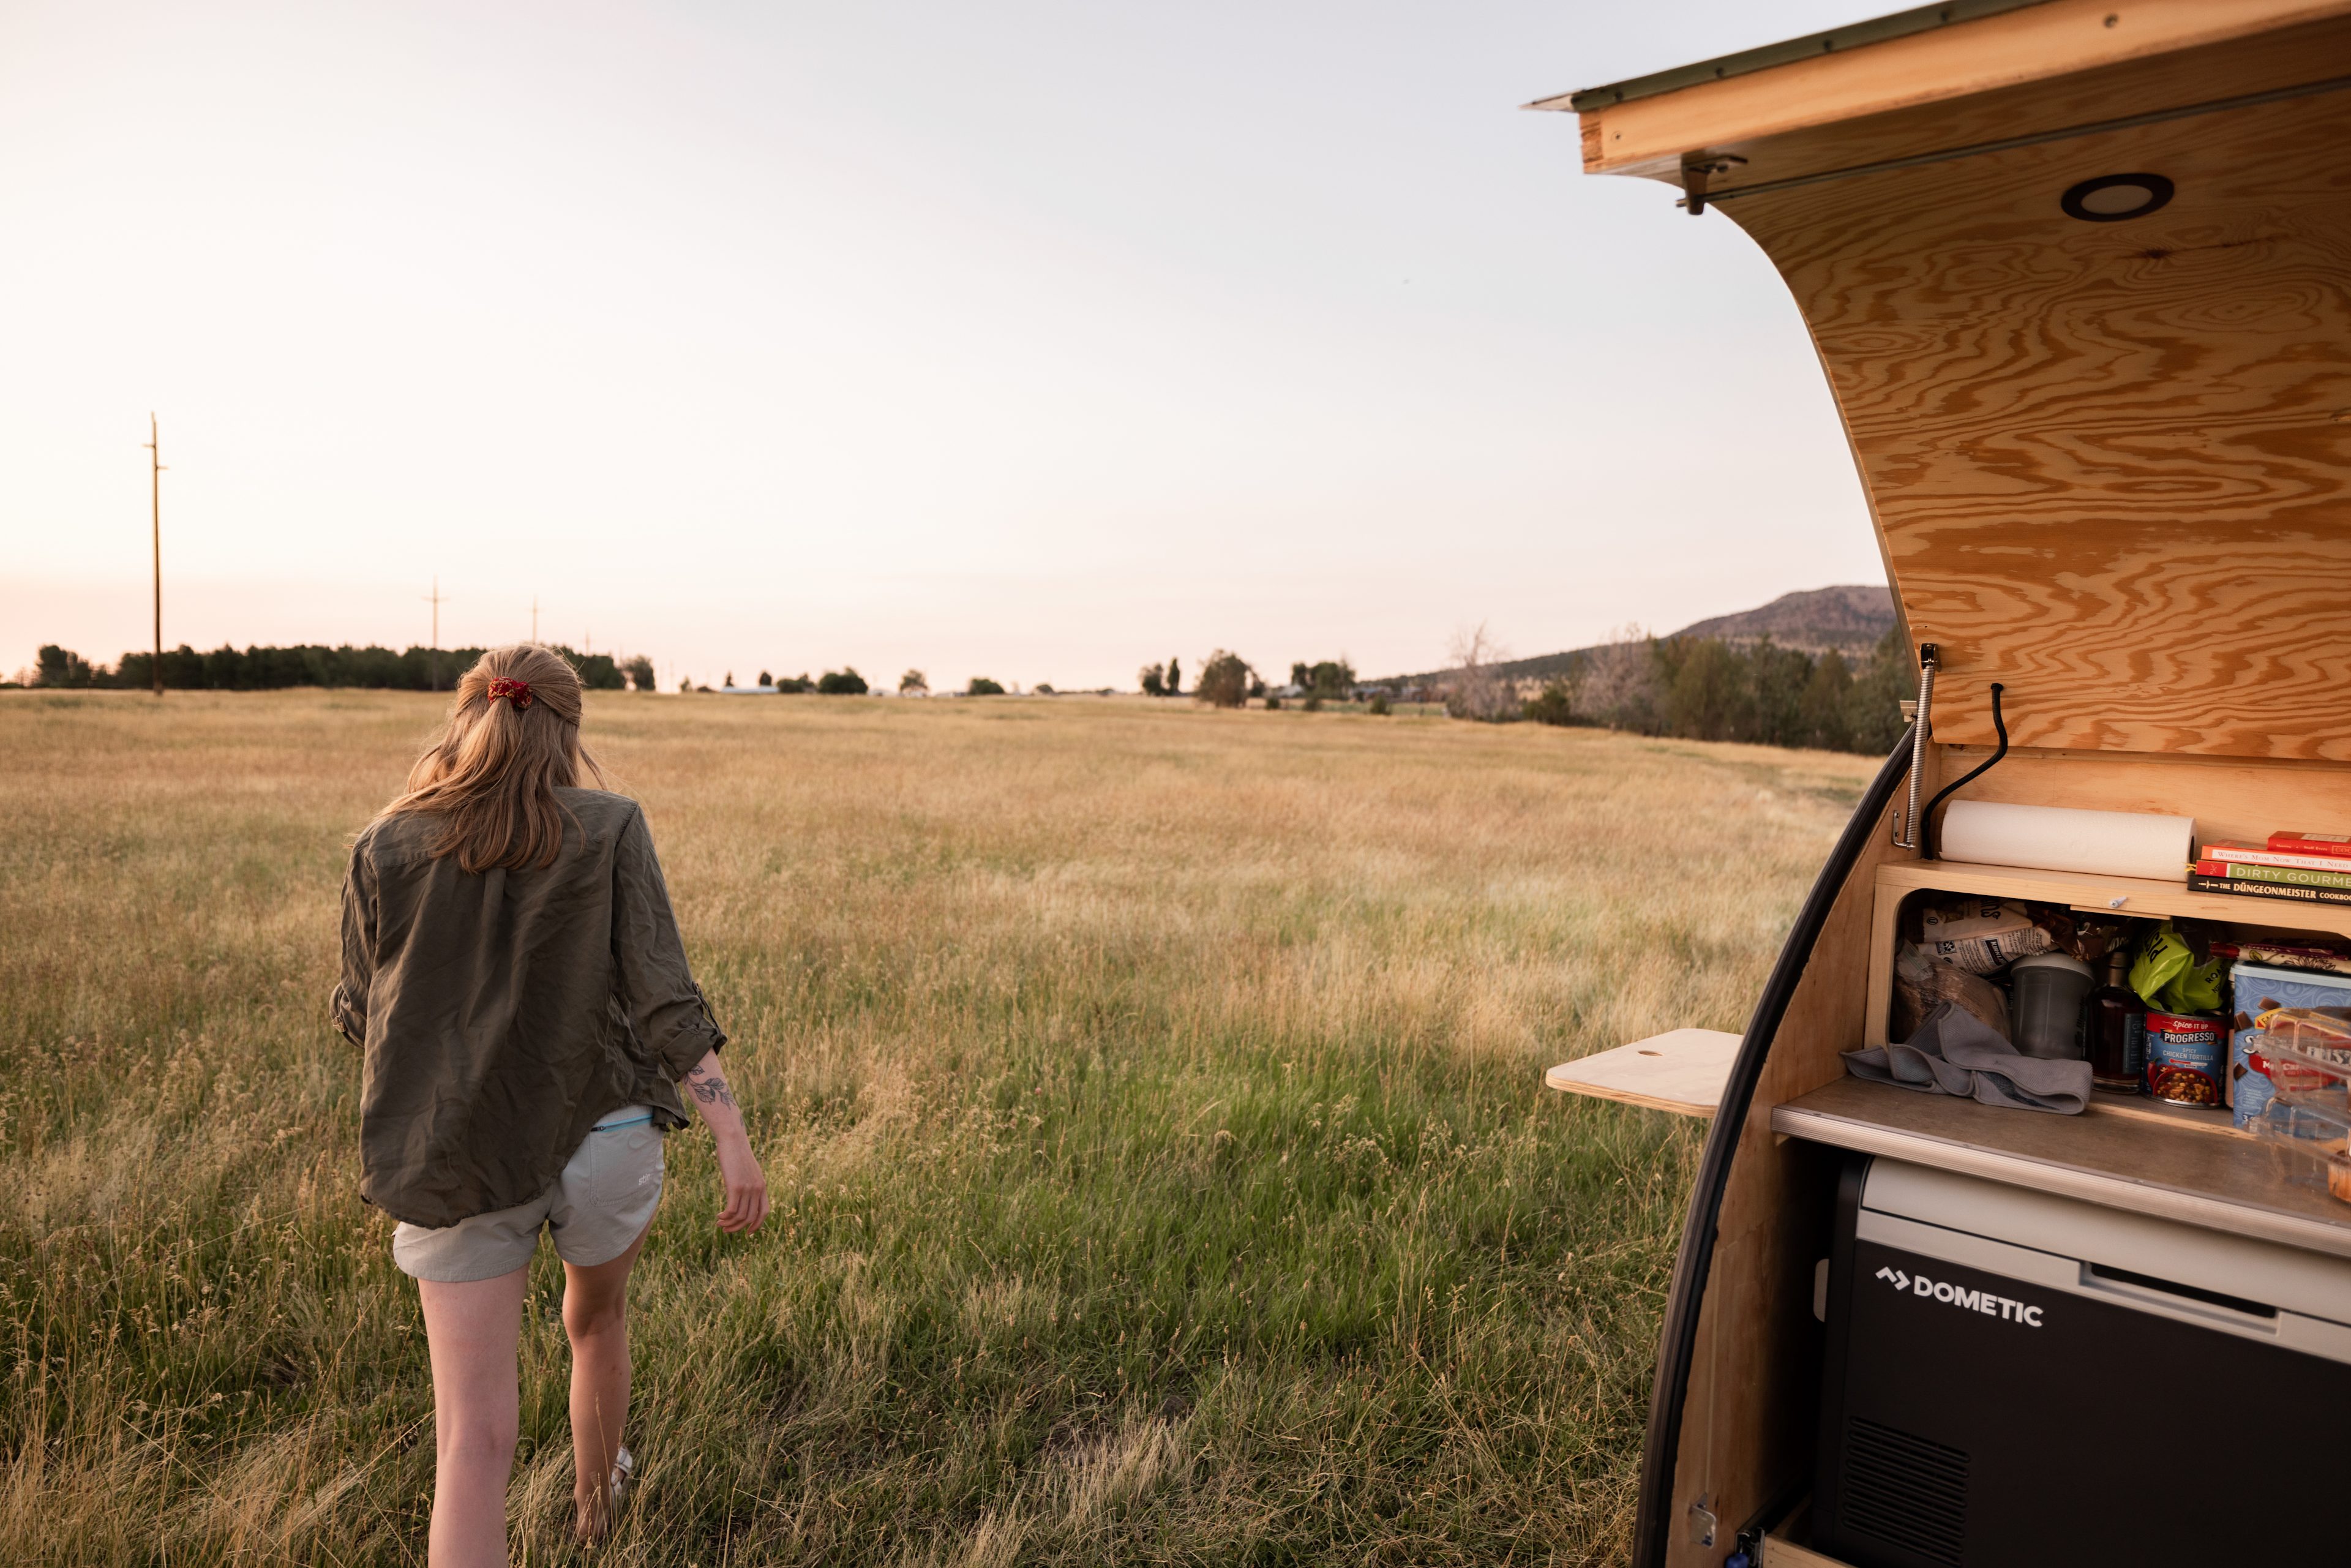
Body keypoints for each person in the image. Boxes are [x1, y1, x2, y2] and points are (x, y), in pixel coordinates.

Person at [332, 643, 768, 1566]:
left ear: (471, 714)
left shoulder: (387, 841)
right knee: (596, 1321)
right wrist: (731, 1134)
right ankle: (595, 1506)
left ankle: (589, 1501)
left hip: (450, 1151)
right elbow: (665, 1000)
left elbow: (360, 1016)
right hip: (603, 1134)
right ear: (567, 726)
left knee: (471, 1443)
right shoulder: (610, 825)